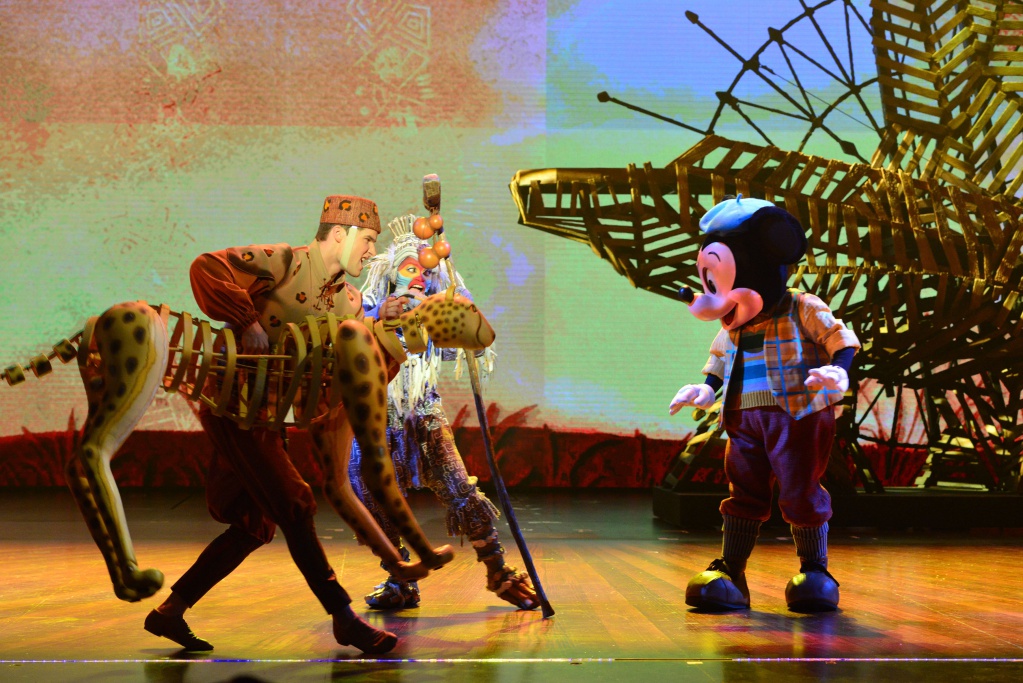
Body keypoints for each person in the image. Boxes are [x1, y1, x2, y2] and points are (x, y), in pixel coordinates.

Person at [143, 195, 399, 653]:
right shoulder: (283, 263)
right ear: (338, 234)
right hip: (234, 404)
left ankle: (169, 611)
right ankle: (343, 617)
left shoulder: (349, 300)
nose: (371, 251)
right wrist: (246, 321)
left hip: (267, 416)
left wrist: (392, 326)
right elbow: (206, 267)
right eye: (367, 239)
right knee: (295, 502)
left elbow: (357, 353)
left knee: (254, 524)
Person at [669, 195, 859, 613]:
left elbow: (840, 339)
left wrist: (839, 371)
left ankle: (815, 571)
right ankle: (730, 572)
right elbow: (720, 362)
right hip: (743, 421)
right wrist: (705, 390)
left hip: (797, 417)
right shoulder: (733, 324)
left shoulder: (800, 306)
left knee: (800, 491)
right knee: (743, 493)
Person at [348, 214, 537, 611]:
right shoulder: (368, 307)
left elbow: (471, 346)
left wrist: (461, 309)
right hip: (373, 418)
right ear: (391, 274)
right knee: (369, 496)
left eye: (425, 271)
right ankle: (400, 576)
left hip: (423, 414)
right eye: (409, 268)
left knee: (458, 487)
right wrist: (379, 315)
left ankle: (498, 571)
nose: (418, 277)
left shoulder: (433, 315)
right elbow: (347, 332)